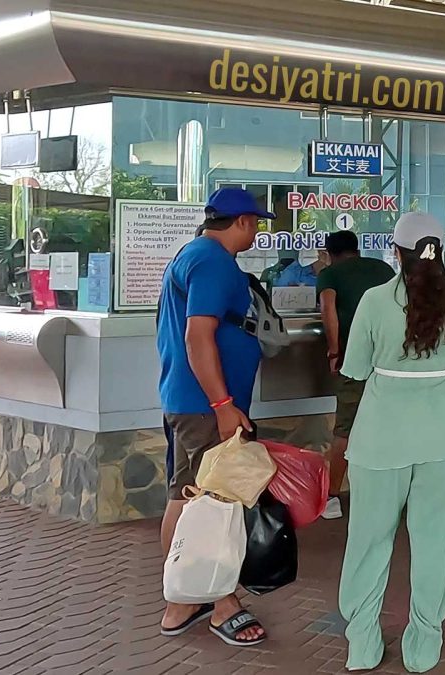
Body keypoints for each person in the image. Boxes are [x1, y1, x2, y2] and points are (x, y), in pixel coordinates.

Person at [338, 212, 445, 673]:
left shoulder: (372, 302)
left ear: (396, 253)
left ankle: (362, 645)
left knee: (367, 541)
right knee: (434, 542)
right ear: (438, 253)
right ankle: (423, 646)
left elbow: (356, 369)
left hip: (379, 441)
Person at [156, 188, 270, 646]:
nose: (258, 231)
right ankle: (219, 605)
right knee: (210, 506)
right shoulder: (212, 261)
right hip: (206, 407)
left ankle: (182, 598)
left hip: (192, 401)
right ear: (240, 221)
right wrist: (223, 406)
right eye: (256, 223)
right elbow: (197, 335)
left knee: (186, 497)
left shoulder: (194, 254)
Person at [317, 229, 396, 520]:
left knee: (346, 428)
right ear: (357, 248)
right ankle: (390, 494)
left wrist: (335, 350)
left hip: (355, 360)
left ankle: (332, 497)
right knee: (388, 426)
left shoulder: (331, 273)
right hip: (390, 361)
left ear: (330, 253)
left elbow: (328, 309)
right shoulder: (383, 268)